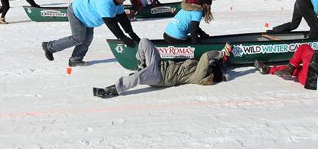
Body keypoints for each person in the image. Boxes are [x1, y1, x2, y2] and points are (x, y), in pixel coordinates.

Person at [93, 38, 232, 98]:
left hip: (160, 76)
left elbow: (207, 56)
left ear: (211, 73)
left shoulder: (199, 76)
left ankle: (113, 89)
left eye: (212, 66)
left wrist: (222, 53)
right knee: (144, 42)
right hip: (158, 65)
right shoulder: (200, 71)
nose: (210, 65)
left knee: (137, 78)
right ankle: (142, 65)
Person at [42, 0, 141, 67]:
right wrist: (123, 37)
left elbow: (122, 18)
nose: (124, 0)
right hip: (77, 12)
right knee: (78, 37)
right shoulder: (104, 2)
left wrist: (131, 33)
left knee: (87, 38)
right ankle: (49, 47)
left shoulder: (117, 2)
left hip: (88, 16)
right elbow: (111, 23)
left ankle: (75, 60)